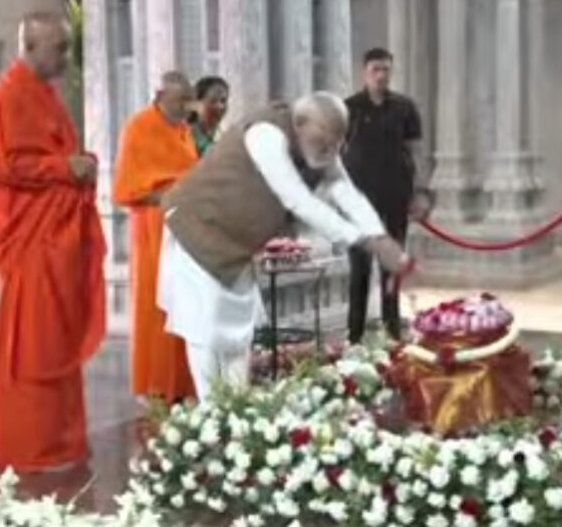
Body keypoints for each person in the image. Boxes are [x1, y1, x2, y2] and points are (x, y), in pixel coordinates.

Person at [158, 92, 413, 401]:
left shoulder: (320, 146)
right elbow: (297, 199)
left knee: (238, 331)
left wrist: (381, 238)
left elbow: (346, 192)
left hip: (235, 249)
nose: (330, 151)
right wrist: (366, 242)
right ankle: (210, 410)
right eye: (323, 142)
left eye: (337, 143)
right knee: (206, 328)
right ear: (300, 124)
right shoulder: (266, 134)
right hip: (196, 228)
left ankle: (236, 407)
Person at [0, 12, 107, 476]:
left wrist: (79, 163)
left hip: (56, 239)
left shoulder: (45, 93)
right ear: (30, 46)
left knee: (59, 340)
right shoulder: (9, 93)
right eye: (60, 48)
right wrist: (64, 168)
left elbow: (55, 154)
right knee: (34, 343)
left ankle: (63, 438)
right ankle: (31, 444)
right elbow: (0, 167)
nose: (66, 58)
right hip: (31, 243)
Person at [113, 71, 199, 404]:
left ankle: (184, 383)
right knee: (156, 305)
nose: (185, 107)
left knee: (185, 304)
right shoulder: (139, 127)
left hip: (185, 224)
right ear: (160, 96)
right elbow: (127, 190)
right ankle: (155, 384)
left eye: (188, 100)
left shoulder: (183, 129)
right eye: (180, 100)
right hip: (153, 226)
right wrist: (166, 197)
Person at [343, 47, 430, 343]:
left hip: (395, 196)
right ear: (364, 73)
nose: (381, 76)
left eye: (385, 70)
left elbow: (416, 152)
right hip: (359, 201)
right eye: (375, 70)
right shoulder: (350, 108)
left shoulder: (404, 108)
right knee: (359, 268)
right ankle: (354, 335)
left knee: (392, 267)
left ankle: (392, 332)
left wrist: (420, 192)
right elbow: (336, 153)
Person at [189, 76, 229, 156]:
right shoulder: (185, 136)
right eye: (213, 101)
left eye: (223, 101)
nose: (220, 106)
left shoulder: (223, 138)